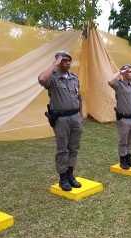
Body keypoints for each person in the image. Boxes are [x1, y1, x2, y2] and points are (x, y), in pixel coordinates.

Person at [38, 51, 82, 191]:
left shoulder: (74, 78)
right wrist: (55, 64)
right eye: (64, 60)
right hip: (61, 119)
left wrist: (80, 116)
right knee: (63, 149)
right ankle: (63, 178)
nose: (68, 62)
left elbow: (79, 98)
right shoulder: (53, 78)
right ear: (58, 61)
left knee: (74, 147)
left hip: (75, 117)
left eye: (69, 60)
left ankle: (70, 175)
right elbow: (41, 79)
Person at [108, 65, 131, 170]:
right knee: (123, 140)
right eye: (129, 72)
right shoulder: (119, 85)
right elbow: (110, 81)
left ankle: (129, 158)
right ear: (124, 74)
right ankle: (123, 160)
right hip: (124, 118)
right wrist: (120, 72)